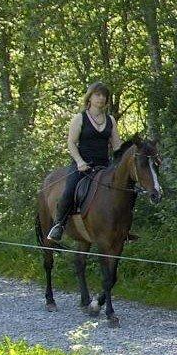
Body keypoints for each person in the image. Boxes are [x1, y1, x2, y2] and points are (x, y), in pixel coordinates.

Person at [47, 82, 121, 242]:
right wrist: (80, 161)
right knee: (69, 191)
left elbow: (117, 146)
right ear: (90, 97)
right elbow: (71, 143)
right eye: (97, 94)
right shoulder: (79, 118)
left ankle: (121, 228)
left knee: (120, 192)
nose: (101, 98)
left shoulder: (111, 120)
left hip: (104, 166)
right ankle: (58, 225)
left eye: (104, 95)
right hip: (82, 165)